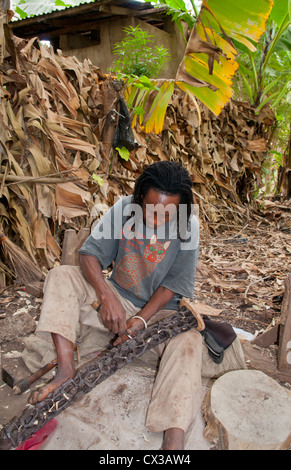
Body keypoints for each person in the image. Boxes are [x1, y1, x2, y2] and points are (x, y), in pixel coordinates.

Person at [29, 161, 246, 450]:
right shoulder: (123, 210)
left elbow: (173, 286)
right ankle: (66, 371)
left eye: (166, 213)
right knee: (61, 276)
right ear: (140, 197)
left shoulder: (188, 226)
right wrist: (106, 296)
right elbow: (89, 256)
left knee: (188, 343)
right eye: (151, 209)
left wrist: (141, 321)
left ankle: (173, 441)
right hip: (116, 300)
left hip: (160, 314)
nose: (156, 219)